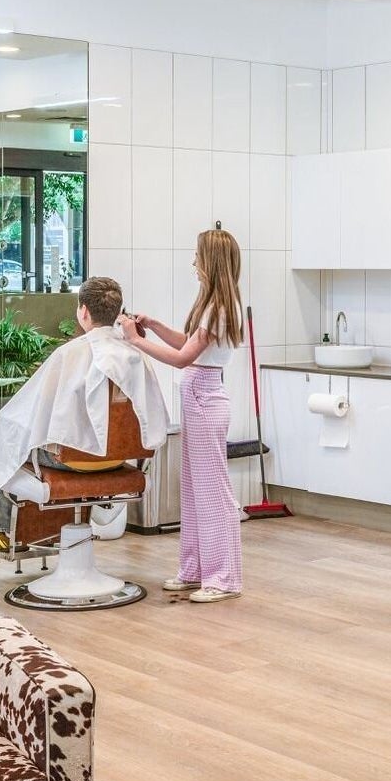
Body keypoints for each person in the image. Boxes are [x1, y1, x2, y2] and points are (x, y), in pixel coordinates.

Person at [0, 276, 168, 552]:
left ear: (83, 311)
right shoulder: (134, 354)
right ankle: (45, 534)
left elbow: (37, 406)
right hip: (120, 458)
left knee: (8, 444)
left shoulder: (69, 355)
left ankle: (6, 533)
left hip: (73, 461)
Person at [120, 229, 246, 603]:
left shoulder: (220, 308)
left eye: (197, 256)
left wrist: (136, 340)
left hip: (205, 401)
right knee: (193, 492)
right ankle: (195, 569)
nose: (193, 262)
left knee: (213, 493)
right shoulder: (212, 306)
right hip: (198, 400)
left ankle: (223, 578)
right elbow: (187, 345)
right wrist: (154, 325)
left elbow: (182, 359)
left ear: (211, 261)